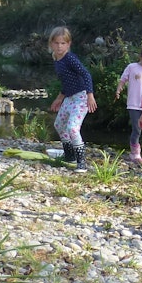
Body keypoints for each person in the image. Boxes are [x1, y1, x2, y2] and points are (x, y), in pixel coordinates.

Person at [48, 26, 97, 173]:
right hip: (69, 97)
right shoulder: (56, 59)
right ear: (51, 44)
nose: (59, 46)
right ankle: (69, 156)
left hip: (81, 97)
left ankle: (81, 162)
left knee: (73, 128)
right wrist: (59, 98)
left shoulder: (70, 58)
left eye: (63, 43)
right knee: (59, 124)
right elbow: (67, 82)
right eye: (56, 43)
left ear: (68, 44)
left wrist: (90, 94)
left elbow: (86, 74)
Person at [116, 44, 142, 164]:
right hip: (134, 105)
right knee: (137, 129)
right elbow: (123, 79)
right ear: (141, 57)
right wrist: (119, 89)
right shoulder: (132, 67)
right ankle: (135, 153)